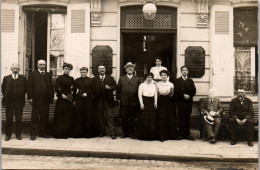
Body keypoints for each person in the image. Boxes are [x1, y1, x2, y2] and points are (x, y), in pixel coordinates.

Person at [28, 60, 54, 140]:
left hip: (46, 100)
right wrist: (30, 97)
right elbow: (29, 87)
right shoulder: (32, 74)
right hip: (36, 100)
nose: (42, 66)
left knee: (44, 117)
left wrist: (51, 98)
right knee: (35, 117)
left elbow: (50, 86)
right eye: (41, 64)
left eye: (44, 64)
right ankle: (33, 134)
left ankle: (42, 133)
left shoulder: (48, 74)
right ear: (37, 65)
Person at [2, 64, 27, 141]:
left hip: (19, 102)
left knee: (19, 119)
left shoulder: (23, 78)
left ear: (19, 70)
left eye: (17, 69)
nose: (15, 70)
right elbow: (3, 89)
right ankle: (8, 135)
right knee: (9, 118)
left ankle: (18, 135)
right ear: (11, 69)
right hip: (9, 102)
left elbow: (26, 88)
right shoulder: (6, 78)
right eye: (14, 69)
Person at [116, 62, 141, 138]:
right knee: (124, 118)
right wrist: (119, 99)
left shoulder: (137, 79)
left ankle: (131, 132)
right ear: (125, 70)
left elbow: (140, 90)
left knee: (132, 118)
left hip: (134, 102)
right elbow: (118, 90)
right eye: (128, 68)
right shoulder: (122, 78)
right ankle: (124, 132)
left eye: (131, 68)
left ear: (133, 70)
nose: (130, 69)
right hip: (124, 102)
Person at [93, 65, 118, 139]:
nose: (102, 70)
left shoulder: (110, 78)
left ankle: (112, 133)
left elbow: (115, 86)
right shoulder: (94, 79)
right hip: (98, 101)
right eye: (100, 69)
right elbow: (92, 89)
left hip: (108, 101)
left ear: (105, 70)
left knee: (110, 117)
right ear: (98, 70)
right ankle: (102, 132)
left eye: (103, 68)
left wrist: (109, 87)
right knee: (100, 117)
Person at [73, 67, 99, 138]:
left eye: (84, 72)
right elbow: (74, 91)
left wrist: (87, 93)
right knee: (79, 115)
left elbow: (93, 89)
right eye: (82, 72)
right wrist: (74, 100)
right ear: (80, 72)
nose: (83, 73)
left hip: (88, 99)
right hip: (79, 99)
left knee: (88, 116)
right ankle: (79, 133)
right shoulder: (77, 80)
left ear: (87, 72)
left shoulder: (90, 80)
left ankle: (88, 134)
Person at [52, 63, 74, 138]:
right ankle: (60, 133)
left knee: (68, 116)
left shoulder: (71, 78)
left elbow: (73, 89)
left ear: (70, 70)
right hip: (61, 100)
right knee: (61, 116)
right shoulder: (59, 78)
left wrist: (71, 96)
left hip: (68, 100)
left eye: (69, 69)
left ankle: (67, 133)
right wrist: (61, 94)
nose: (67, 70)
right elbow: (56, 88)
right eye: (66, 69)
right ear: (63, 69)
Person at [174, 66, 196, 140]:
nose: (184, 71)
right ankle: (180, 134)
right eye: (183, 70)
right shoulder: (177, 81)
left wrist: (189, 95)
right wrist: (183, 95)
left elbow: (194, 91)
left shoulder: (190, 81)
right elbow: (176, 90)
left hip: (189, 102)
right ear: (181, 71)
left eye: (186, 70)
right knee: (181, 117)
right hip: (180, 102)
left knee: (187, 118)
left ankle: (187, 134)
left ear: (188, 71)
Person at [137, 72, 158, 140]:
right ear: (145, 78)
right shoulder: (142, 85)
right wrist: (141, 104)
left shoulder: (153, 85)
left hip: (151, 102)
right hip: (145, 101)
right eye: (148, 77)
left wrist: (155, 102)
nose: (150, 78)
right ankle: (144, 136)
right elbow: (139, 95)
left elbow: (155, 95)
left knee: (152, 118)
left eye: (151, 77)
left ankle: (151, 136)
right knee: (144, 118)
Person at [156, 70, 174, 142]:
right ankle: (161, 136)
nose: (163, 76)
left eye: (165, 75)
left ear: (167, 76)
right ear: (160, 76)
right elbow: (157, 93)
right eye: (162, 75)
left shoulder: (171, 84)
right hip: (160, 101)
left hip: (168, 101)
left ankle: (168, 135)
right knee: (161, 118)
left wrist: (168, 96)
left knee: (168, 117)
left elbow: (172, 94)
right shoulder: (158, 84)